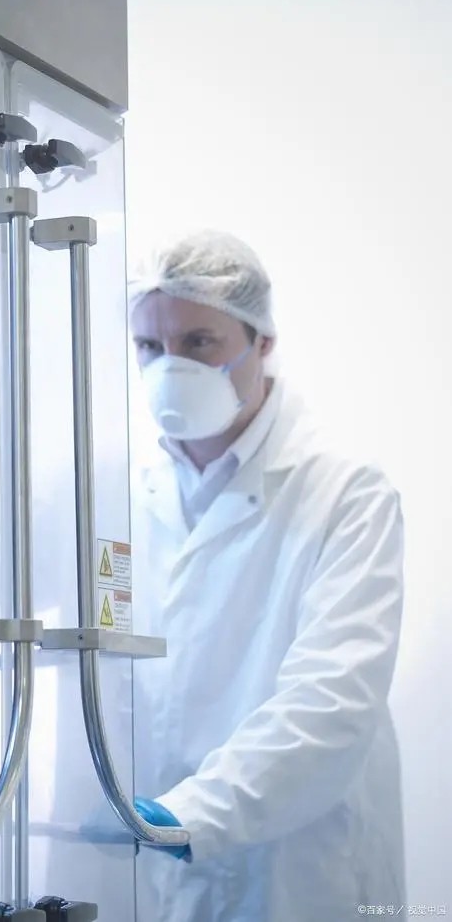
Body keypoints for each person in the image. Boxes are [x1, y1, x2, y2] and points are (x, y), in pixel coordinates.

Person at [125, 231, 405, 921]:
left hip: (300, 875)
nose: (171, 368)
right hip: (160, 874)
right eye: (151, 346)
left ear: (264, 341)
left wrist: (187, 816)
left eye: (199, 342)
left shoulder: (346, 493)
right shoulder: (120, 495)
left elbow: (332, 705)